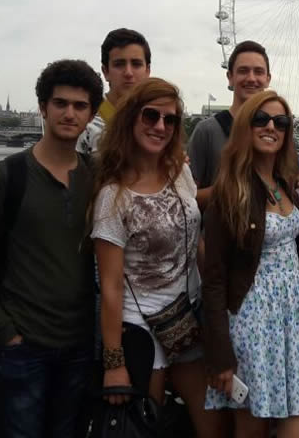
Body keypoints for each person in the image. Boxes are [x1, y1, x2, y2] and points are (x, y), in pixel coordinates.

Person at [0, 59, 103, 438]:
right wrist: (4, 331)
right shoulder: (6, 176)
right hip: (23, 348)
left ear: (91, 115)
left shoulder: (97, 178)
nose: (69, 113)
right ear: (42, 107)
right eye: (60, 103)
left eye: (80, 106)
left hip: (80, 345)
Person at [91, 78, 226, 438]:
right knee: (145, 426)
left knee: (212, 427)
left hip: (187, 319)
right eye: (151, 116)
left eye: (170, 119)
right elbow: (110, 286)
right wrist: (114, 363)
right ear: (130, 119)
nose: (160, 126)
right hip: (142, 329)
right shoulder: (113, 197)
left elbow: (193, 238)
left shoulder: (180, 173)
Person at [202, 90, 299, 438]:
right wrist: (221, 354)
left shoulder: (287, 184)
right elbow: (214, 279)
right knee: (251, 428)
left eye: (281, 122)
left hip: (296, 319)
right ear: (246, 126)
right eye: (261, 119)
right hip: (253, 322)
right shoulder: (230, 192)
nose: (271, 127)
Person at [189, 41, 272, 210]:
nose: (251, 78)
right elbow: (187, 197)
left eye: (258, 72)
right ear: (230, 77)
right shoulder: (207, 131)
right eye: (243, 71)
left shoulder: (275, 131)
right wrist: (229, 190)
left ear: (267, 79)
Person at [77, 28, 151, 155]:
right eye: (119, 64)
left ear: (147, 71)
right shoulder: (84, 123)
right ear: (105, 72)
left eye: (136, 64)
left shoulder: (159, 122)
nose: (128, 73)